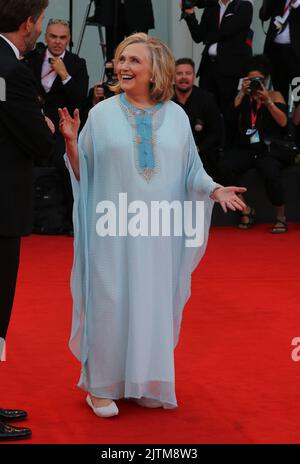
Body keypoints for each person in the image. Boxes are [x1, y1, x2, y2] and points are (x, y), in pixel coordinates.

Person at [59, 32, 245, 417]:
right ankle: (100, 386)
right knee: (111, 302)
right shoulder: (103, 114)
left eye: (134, 61)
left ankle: (142, 381)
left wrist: (215, 190)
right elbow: (84, 174)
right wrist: (73, 145)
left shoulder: (176, 116)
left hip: (159, 232)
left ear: (153, 70)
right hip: (111, 231)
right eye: (121, 60)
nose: (123, 67)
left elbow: (192, 171)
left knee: (150, 303)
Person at [0, 0, 54, 440]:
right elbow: (35, 139)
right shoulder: (11, 70)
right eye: (40, 20)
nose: (39, 28)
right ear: (27, 23)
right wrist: (49, 132)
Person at [27, 18, 89, 234]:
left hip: (63, 130)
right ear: (46, 37)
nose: (57, 42)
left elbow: (80, 99)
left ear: (68, 40)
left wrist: (64, 75)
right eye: (53, 36)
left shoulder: (77, 64)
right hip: (32, 126)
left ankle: (74, 222)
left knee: (67, 167)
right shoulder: (32, 59)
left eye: (62, 38)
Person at [218, 55, 290, 233]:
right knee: (224, 165)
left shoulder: (275, 95)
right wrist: (241, 93)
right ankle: (246, 209)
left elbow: (283, 123)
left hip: (267, 148)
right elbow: (228, 118)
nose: (254, 83)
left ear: (265, 79)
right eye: (250, 79)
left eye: (257, 79)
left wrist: (267, 101)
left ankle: (281, 217)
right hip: (246, 148)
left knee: (271, 171)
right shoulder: (244, 98)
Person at [182, 0, 253, 118]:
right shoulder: (212, 6)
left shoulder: (243, 5)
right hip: (209, 66)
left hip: (230, 67)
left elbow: (229, 31)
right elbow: (198, 36)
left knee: (228, 109)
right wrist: (190, 14)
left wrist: (208, 37)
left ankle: (227, 136)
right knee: (205, 107)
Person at [172, 57, 223, 178]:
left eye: (188, 73)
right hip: (171, 153)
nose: (184, 77)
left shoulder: (207, 99)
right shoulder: (165, 99)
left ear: (194, 76)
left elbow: (217, 133)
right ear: (173, 76)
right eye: (179, 73)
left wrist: (198, 149)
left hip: (201, 154)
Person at [260, 0, 300, 151]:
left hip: (295, 57)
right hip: (276, 53)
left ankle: (296, 135)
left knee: (298, 97)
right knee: (279, 94)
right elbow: (263, 15)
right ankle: (280, 135)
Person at [87, 0, 155, 61]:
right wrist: (99, 10)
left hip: (138, 10)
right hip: (112, 10)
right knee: (113, 58)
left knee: (137, 53)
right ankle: (113, 71)